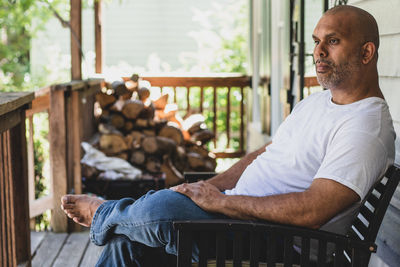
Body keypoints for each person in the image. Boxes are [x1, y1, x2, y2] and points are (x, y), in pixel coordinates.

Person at [61, 5, 395, 266]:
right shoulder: (319, 103)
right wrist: (213, 188)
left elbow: (313, 210)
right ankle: (115, 216)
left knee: (157, 212)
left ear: (366, 53)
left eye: (333, 41)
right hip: (238, 221)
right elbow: (264, 154)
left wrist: (223, 202)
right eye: (316, 42)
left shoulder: (366, 126)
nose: (319, 51)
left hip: (277, 243)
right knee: (128, 241)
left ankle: (105, 213)